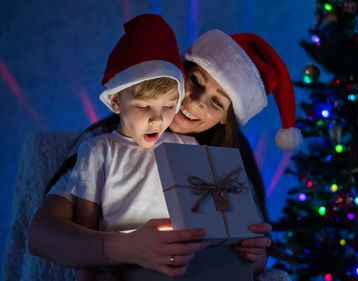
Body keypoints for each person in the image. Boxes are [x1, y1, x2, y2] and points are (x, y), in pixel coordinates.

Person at [28, 15, 302, 280]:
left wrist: (254, 257)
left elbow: (252, 257)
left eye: (217, 103)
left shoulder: (228, 154)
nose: (195, 102)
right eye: (194, 81)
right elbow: (42, 235)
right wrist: (124, 248)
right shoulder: (105, 143)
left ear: (225, 121)